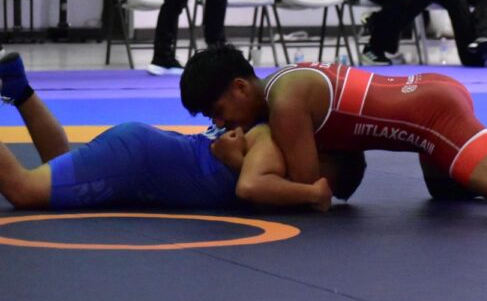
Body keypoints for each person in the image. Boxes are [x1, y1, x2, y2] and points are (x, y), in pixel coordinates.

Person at [180, 45, 487, 227]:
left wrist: (236, 160)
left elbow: (315, 186)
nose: (220, 123)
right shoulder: (282, 83)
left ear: (241, 86)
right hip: (425, 98)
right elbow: (345, 169)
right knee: (449, 188)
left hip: (430, 117)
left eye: (217, 110)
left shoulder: (285, 104)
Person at [0, 52, 369, 212]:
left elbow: (255, 183)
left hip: (142, 151)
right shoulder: (271, 139)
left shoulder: (260, 133)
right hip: (137, 160)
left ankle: (19, 89)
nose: (221, 123)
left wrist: (235, 160)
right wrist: (311, 193)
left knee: (56, 167)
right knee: (22, 190)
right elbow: (253, 188)